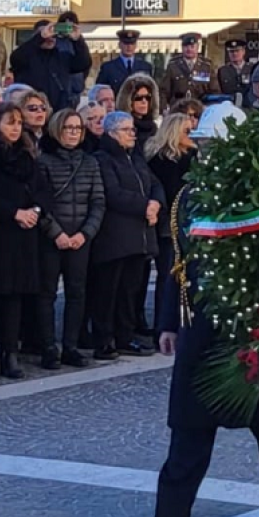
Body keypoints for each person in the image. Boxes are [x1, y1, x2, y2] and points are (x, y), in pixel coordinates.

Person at [125, 101, 259, 517]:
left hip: (252, 326)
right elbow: (178, 264)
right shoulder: (188, 197)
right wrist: (168, 321)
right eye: (202, 145)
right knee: (188, 424)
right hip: (198, 325)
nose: (206, 154)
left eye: (215, 146)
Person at [89, 111, 164, 360]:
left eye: (132, 129)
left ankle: (125, 335)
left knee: (129, 292)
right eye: (126, 129)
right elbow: (112, 193)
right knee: (107, 292)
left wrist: (155, 203)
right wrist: (145, 206)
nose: (132, 133)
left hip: (138, 236)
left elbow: (155, 183)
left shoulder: (136, 157)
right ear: (112, 133)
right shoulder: (103, 159)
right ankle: (104, 339)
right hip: (114, 237)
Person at [38, 108, 105, 369]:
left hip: (80, 237)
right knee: (47, 294)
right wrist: (56, 233)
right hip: (52, 237)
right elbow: (40, 203)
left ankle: (70, 346)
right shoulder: (44, 161)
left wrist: (85, 233)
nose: (74, 133)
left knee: (77, 293)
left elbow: (98, 202)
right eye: (69, 128)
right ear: (58, 130)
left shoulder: (89, 162)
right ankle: (47, 347)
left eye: (78, 128)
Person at [0, 103, 50, 379]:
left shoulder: (28, 156)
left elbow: (42, 190)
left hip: (25, 234)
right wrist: (14, 213)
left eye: (17, 123)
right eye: (9, 123)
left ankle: (10, 352)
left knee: (15, 297)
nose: (14, 129)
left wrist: (35, 211)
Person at [146, 112, 196, 357]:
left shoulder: (187, 158)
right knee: (170, 276)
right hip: (170, 224)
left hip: (174, 223)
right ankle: (164, 324)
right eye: (188, 131)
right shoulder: (165, 161)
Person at [9, 20, 92, 112]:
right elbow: (16, 57)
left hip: (58, 111)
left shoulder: (61, 57)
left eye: (53, 34)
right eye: (46, 33)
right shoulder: (25, 56)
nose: (50, 37)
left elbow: (84, 63)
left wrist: (78, 40)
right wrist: (40, 37)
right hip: (32, 110)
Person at [160, 33, 216, 109]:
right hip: (178, 108)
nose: (189, 49)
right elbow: (164, 91)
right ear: (182, 48)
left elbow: (215, 91)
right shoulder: (173, 65)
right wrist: (164, 109)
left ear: (197, 48)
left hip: (200, 108)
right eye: (186, 46)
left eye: (192, 46)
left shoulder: (206, 66)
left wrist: (211, 108)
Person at [95, 29, 153, 94]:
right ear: (119, 45)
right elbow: (99, 92)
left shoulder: (145, 67)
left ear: (136, 45)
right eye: (126, 43)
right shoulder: (108, 68)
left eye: (132, 43)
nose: (129, 46)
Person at [118, 74, 160, 152]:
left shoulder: (153, 128)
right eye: (138, 97)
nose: (144, 101)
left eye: (148, 97)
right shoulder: (122, 127)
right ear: (129, 100)